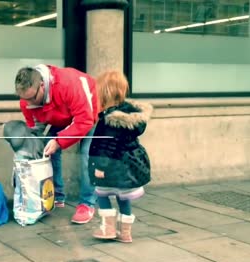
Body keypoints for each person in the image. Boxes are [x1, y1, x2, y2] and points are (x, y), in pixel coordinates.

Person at [14, 64, 99, 224]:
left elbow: (85, 120)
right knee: (47, 150)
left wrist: (59, 141)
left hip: (87, 114)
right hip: (58, 116)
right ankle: (56, 195)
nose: (29, 103)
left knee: (87, 156)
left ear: (42, 85)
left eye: (32, 98)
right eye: (25, 99)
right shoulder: (26, 99)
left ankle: (87, 203)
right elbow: (34, 127)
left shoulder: (69, 84)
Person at [88, 70, 153, 243]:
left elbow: (105, 146)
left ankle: (107, 228)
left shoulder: (110, 121)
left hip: (112, 165)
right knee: (122, 196)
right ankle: (125, 233)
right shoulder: (129, 116)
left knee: (101, 193)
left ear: (105, 93)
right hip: (127, 167)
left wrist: (99, 168)